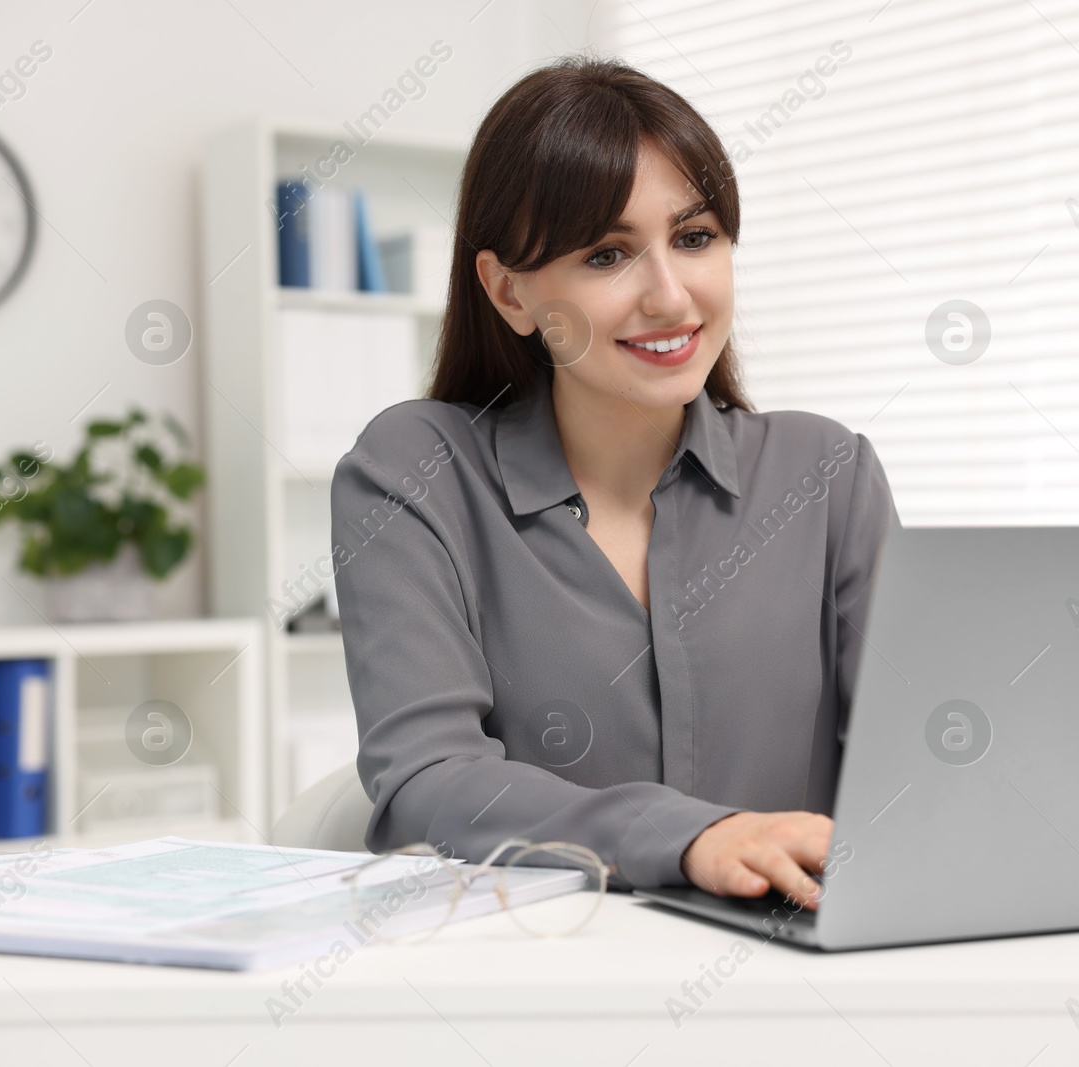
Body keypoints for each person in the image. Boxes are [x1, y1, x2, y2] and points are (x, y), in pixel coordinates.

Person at [330, 54, 898, 912]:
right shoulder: (416, 471)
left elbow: (916, 766)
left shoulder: (827, 475)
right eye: (607, 255)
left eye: (695, 238)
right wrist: (693, 837)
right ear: (509, 292)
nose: (670, 296)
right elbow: (427, 781)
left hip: (804, 982)